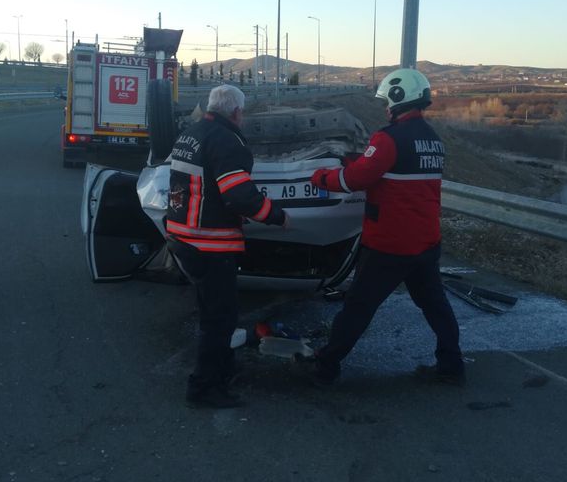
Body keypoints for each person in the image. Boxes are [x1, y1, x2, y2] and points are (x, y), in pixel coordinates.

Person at [305, 68, 465, 386]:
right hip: (426, 242)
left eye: (386, 102)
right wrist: (361, 160)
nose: (385, 108)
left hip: (390, 244)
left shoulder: (388, 138)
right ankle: (451, 365)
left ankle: (326, 365)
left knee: (358, 308)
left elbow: (355, 179)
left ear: (398, 98)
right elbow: (390, 170)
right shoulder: (433, 140)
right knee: (435, 306)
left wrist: (320, 177)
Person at [166, 84, 289, 409]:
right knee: (219, 321)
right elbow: (238, 195)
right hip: (210, 243)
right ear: (236, 112)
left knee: (212, 314)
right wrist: (276, 216)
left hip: (183, 237)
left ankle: (222, 371)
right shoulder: (227, 141)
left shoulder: (191, 133)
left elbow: (202, 186)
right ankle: (204, 388)